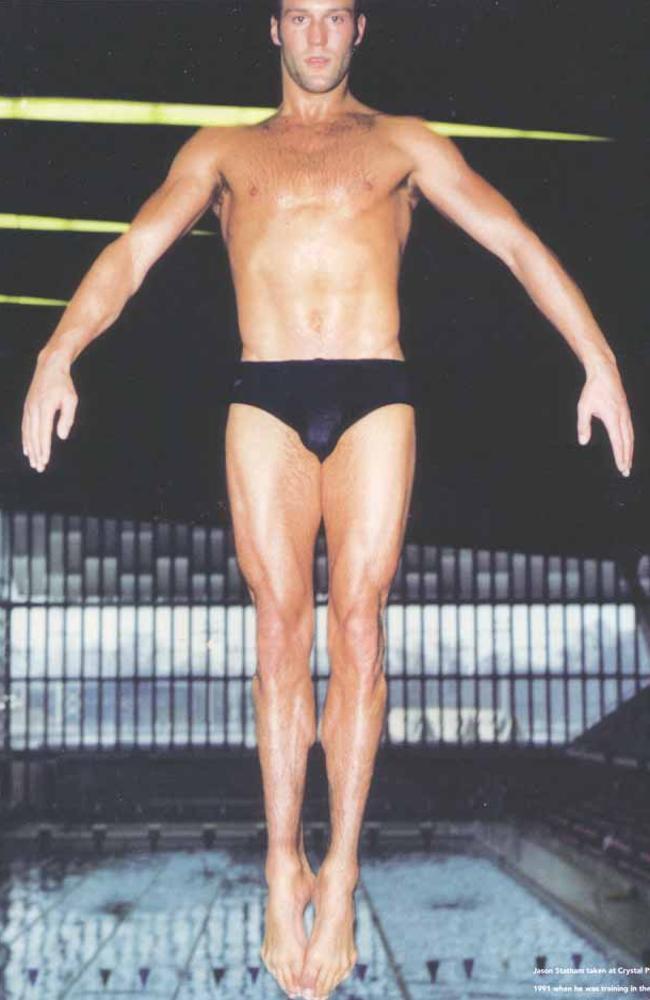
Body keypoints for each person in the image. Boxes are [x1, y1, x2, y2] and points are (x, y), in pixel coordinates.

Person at [21, 0, 635, 996]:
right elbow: (131, 252)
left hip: (374, 388)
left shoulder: (402, 144)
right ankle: (281, 863)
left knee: (357, 621)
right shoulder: (222, 149)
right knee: (277, 625)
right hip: (262, 389)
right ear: (274, 30)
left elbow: (514, 241)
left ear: (359, 30)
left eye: (333, 18)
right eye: (299, 18)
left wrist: (597, 360)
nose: (316, 37)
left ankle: (340, 868)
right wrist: (58, 352)